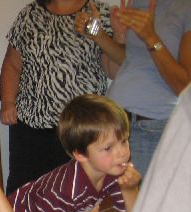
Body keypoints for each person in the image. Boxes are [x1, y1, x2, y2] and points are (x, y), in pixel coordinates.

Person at [0, 0, 112, 195]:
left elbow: (114, 69)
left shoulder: (98, 11)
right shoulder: (30, 14)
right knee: (23, 194)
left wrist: (99, 35)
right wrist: (7, 102)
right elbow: (12, 64)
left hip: (78, 128)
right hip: (30, 126)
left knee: (75, 195)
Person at [75, 0, 191, 177]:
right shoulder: (136, 3)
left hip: (151, 126)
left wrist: (150, 37)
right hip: (113, 119)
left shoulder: (185, 7)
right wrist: (98, 34)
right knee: (105, 194)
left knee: (140, 195)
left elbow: (184, 86)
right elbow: (131, 61)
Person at [7, 94, 141, 212]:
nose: (122, 153)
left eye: (124, 141)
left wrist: (130, 189)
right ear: (80, 155)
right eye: (108, 148)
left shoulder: (113, 169)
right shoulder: (65, 189)